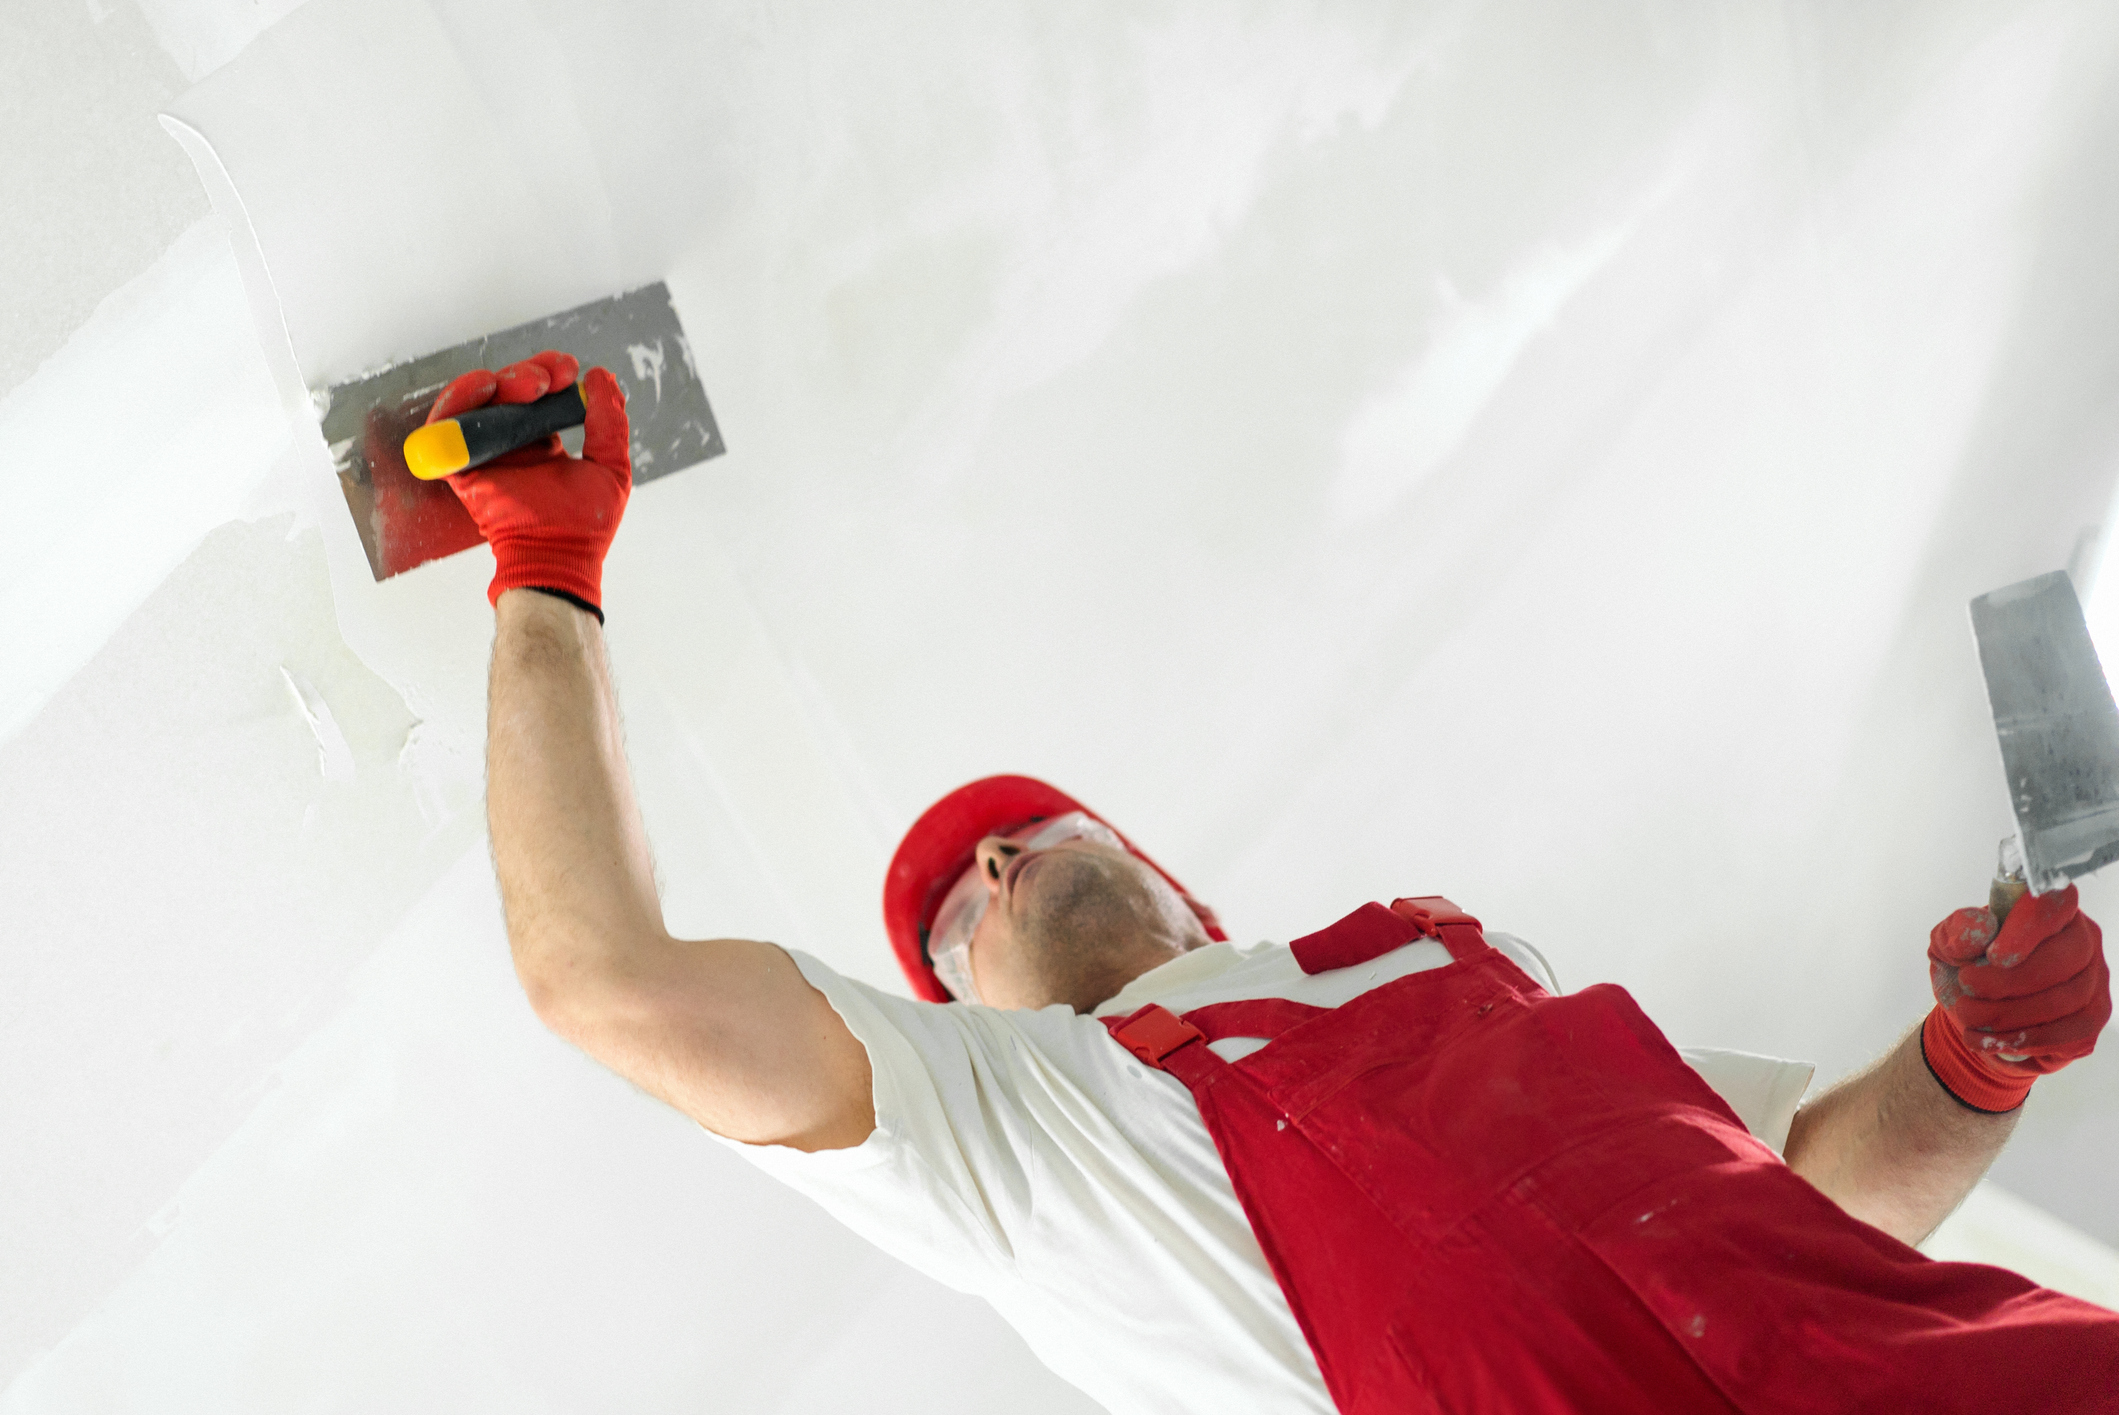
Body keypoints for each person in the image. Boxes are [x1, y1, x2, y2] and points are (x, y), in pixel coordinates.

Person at [436, 351, 2119, 1412]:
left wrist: (1978, 1062)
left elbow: (1804, 1202)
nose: (994, 865)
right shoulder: (1020, 1138)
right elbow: (608, 981)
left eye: (1028, 836)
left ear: (1168, 881)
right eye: (958, 918)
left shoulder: (1468, 959)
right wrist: (546, 568)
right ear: (963, 1019)